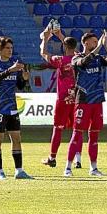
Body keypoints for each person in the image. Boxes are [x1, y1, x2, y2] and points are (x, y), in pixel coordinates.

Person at [65, 31, 107, 177]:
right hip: (83, 100)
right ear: (85, 43)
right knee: (77, 133)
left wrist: (106, 46)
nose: (96, 44)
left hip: (97, 100)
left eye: (97, 41)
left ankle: (93, 168)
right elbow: (84, 62)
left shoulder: (99, 58)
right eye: (93, 42)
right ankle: (68, 167)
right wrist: (97, 48)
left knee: (94, 136)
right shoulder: (77, 58)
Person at [0, 36, 32, 180]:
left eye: (11, 48)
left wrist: (24, 79)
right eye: (7, 48)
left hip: (12, 106)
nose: (10, 51)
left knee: (17, 138)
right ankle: (0, 172)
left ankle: (19, 170)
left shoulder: (15, 64)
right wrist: (10, 70)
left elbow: (19, 86)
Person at [39, 25, 83, 168]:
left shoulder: (60, 60)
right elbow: (75, 51)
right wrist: (61, 36)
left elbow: (43, 53)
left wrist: (45, 39)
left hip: (63, 98)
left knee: (58, 128)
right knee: (77, 129)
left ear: (64, 47)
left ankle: (52, 158)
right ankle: (78, 160)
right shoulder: (79, 58)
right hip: (77, 98)